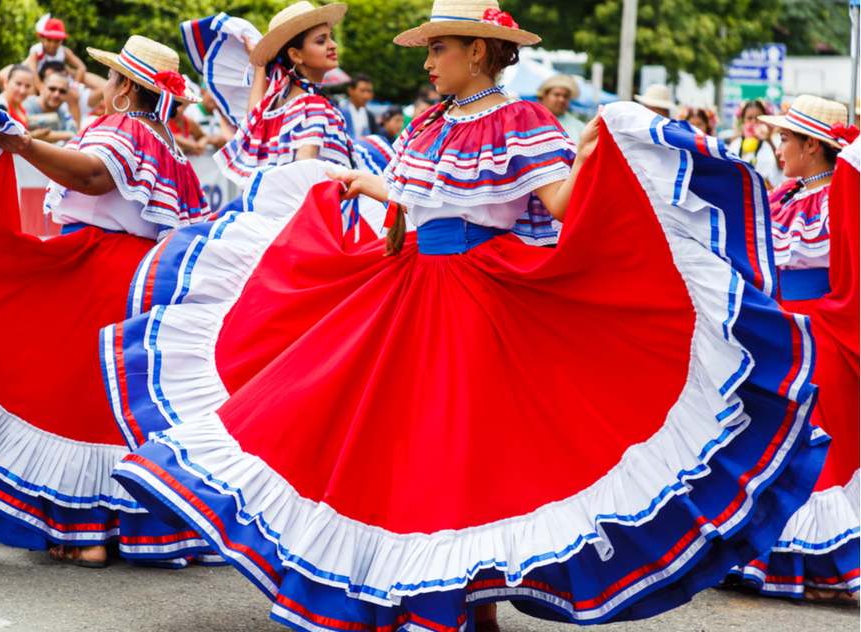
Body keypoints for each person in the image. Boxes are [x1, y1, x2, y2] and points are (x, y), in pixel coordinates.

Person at [102, 1, 826, 630]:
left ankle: (469, 596)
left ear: (478, 50)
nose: (428, 62)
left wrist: (611, 153)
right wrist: (375, 192)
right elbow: (417, 210)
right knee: (400, 444)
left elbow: (565, 209)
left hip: (483, 299)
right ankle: (434, 591)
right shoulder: (426, 125)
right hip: (412, 288)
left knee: (465, 452)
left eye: (438, 48)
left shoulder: (522, 119)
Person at [0, 35, 214, 571]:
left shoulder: (126, 128)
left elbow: (90, 174)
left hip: (99, 272)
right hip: (141, 283)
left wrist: (25, 146)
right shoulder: (171, 148)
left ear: (126, 86)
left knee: (62, 394)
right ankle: (112, 529)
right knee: (113, 409)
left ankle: (85, 533)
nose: (106, 87)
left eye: (112, 79)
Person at [724, 96, 860, 602]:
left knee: (813, 445)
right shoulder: (783, 197)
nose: (777, 147)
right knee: (770, 442)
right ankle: (776, 561)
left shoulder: (841, 196)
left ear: (812, 145)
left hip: (817, 330)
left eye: (785, 138)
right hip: (780, 330)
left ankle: (830, 572)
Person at [213, 1, 356, 187]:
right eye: (321, 40)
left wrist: (260, 65)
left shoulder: (274, 104)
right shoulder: (311, 104)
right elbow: (304, 167)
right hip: (303, 211)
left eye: (330, 37)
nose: (333, 45)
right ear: (296, 55)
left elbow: (250, 119)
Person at [728, 99, 784, 189]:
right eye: (749, 118)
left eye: (758, 118)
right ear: (743, 120)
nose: (754, 122)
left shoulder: (776, 141)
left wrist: (769, 141)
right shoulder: (735, 145)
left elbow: (782, 167)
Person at [23, 14, 87, 91]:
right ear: (42, 38)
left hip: (58, 83)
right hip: (39, 83)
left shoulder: (63, 51)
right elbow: (33, 73)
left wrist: (75, 85)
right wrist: (42, 91)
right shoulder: (36, 51)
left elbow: (81, 67)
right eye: (49, 40)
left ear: (62, 41)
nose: (52, 44)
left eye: (57, 40)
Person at [22, 70, 77, 144]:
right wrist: (67, 135)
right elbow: (22, 136)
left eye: (62, 91)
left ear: (67, 94)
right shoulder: (25, 106)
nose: (56, 94)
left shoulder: (64, 114)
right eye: (52, 89)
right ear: (41, 87)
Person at [537, 73, 585, 146]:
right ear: (544, 97)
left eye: (565, 96)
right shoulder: (530, 122)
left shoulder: (580, 127)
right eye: (557, 94)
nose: (561, 99)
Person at [340, 71, 376, 138]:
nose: (366, 95)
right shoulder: (341, 112)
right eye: (362, 91)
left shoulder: (369, 115)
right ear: (351, 91)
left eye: (369, 91)